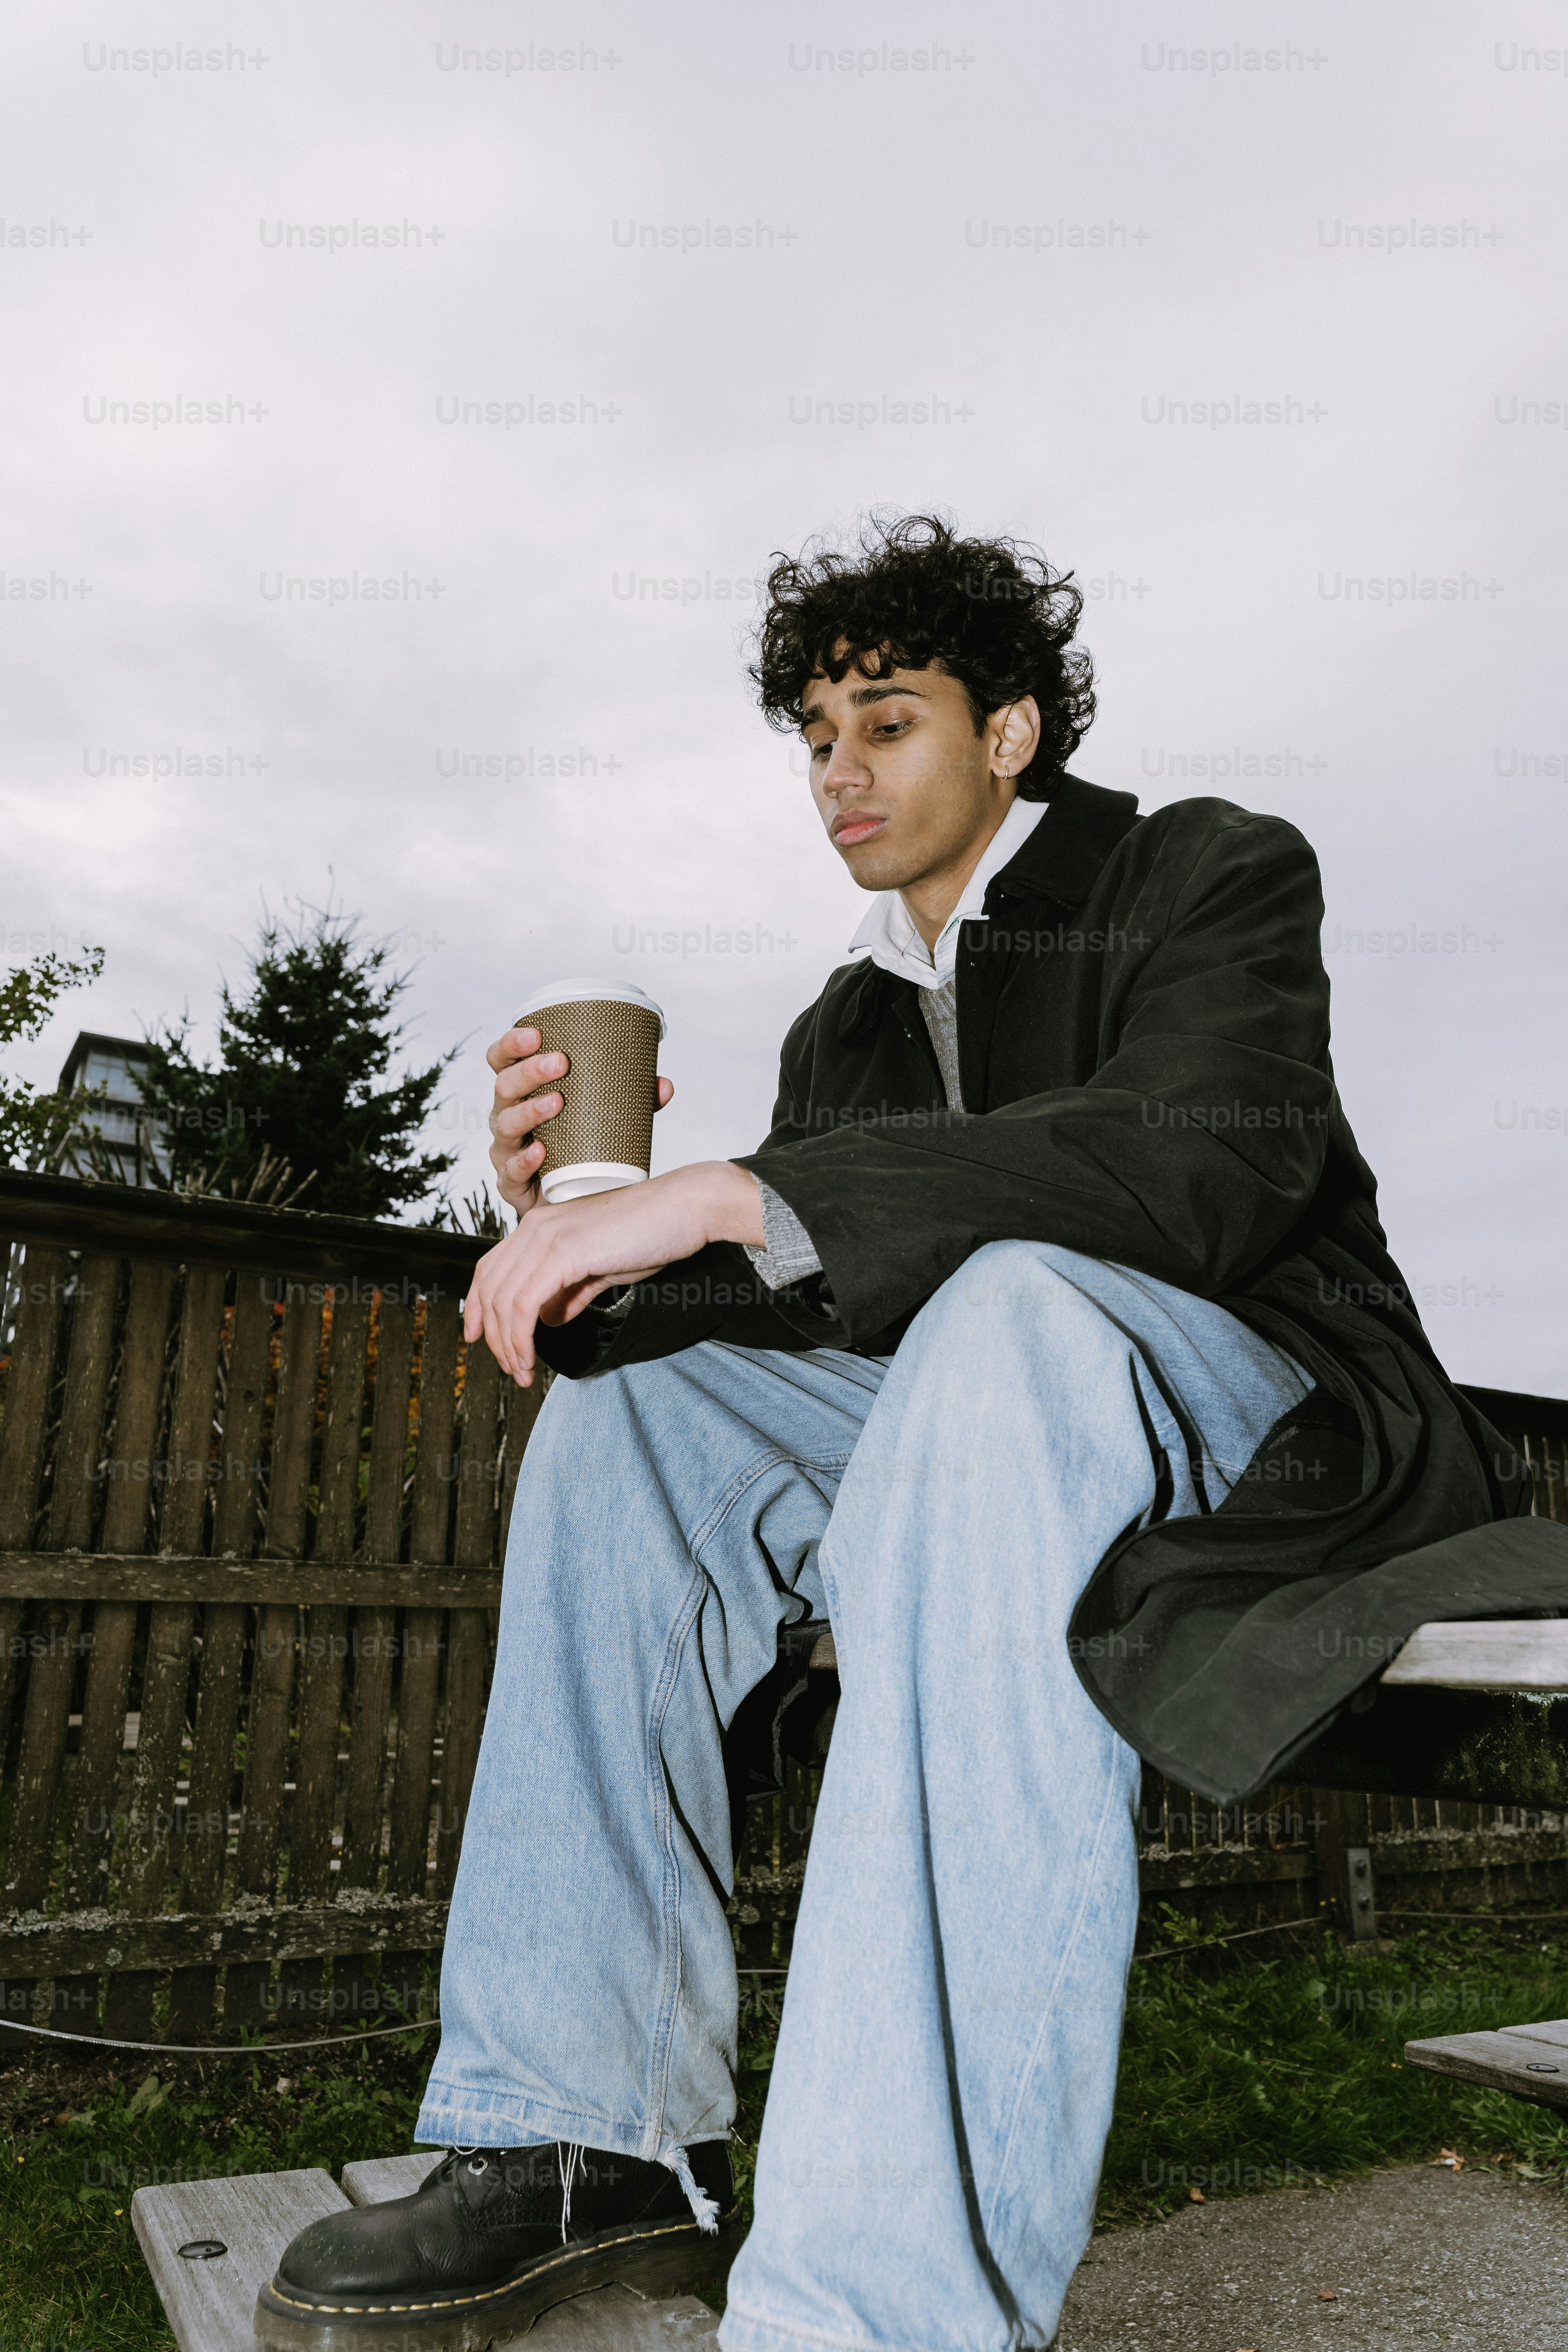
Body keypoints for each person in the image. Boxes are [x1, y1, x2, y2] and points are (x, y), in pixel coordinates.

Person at [258, 515, 1531, 2352]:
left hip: (1273, 1427)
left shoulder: (1206, 871)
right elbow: (788, 1327)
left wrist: (729, 1189)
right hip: (968, 1452)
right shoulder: (842, 1023)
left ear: (1008, 731)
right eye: (812, 736)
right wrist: (568, 1218)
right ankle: (584, 2141)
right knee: (640, 1417)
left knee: (1012, 1312)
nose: (838, 773)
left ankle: (879, 2309)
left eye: (886, 722)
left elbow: (1201, 1167)